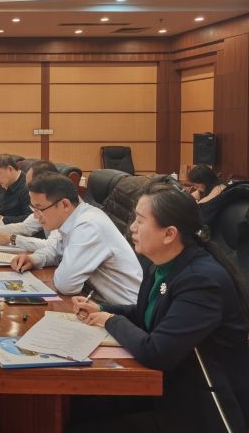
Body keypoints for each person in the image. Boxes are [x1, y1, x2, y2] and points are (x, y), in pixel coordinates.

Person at [71, 183, 249, 433]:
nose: (132, 227)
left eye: (140, 221)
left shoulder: (201, 281)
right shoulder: (161, 265)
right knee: (75, 406)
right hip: (170, 389)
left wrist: (110, 320)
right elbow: (148, 315)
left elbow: (157, 351)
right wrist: (100, 307)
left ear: (169, 234)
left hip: (203, 408)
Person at [10, 173, 142, 304]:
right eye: (33, 208)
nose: (35, 216)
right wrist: (34, 259)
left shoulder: (88, 225)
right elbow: (57, 250)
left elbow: (65, 284)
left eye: (40, 209)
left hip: (124, 309)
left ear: (65, 205)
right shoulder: (75, 218)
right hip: (97, 300)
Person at [0, 160, 58, 249]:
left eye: (30, 186)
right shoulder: (45, 202)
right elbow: (26, 227)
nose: (28, 190)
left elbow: (53, 246)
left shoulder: (58, 204)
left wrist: (12, 239)